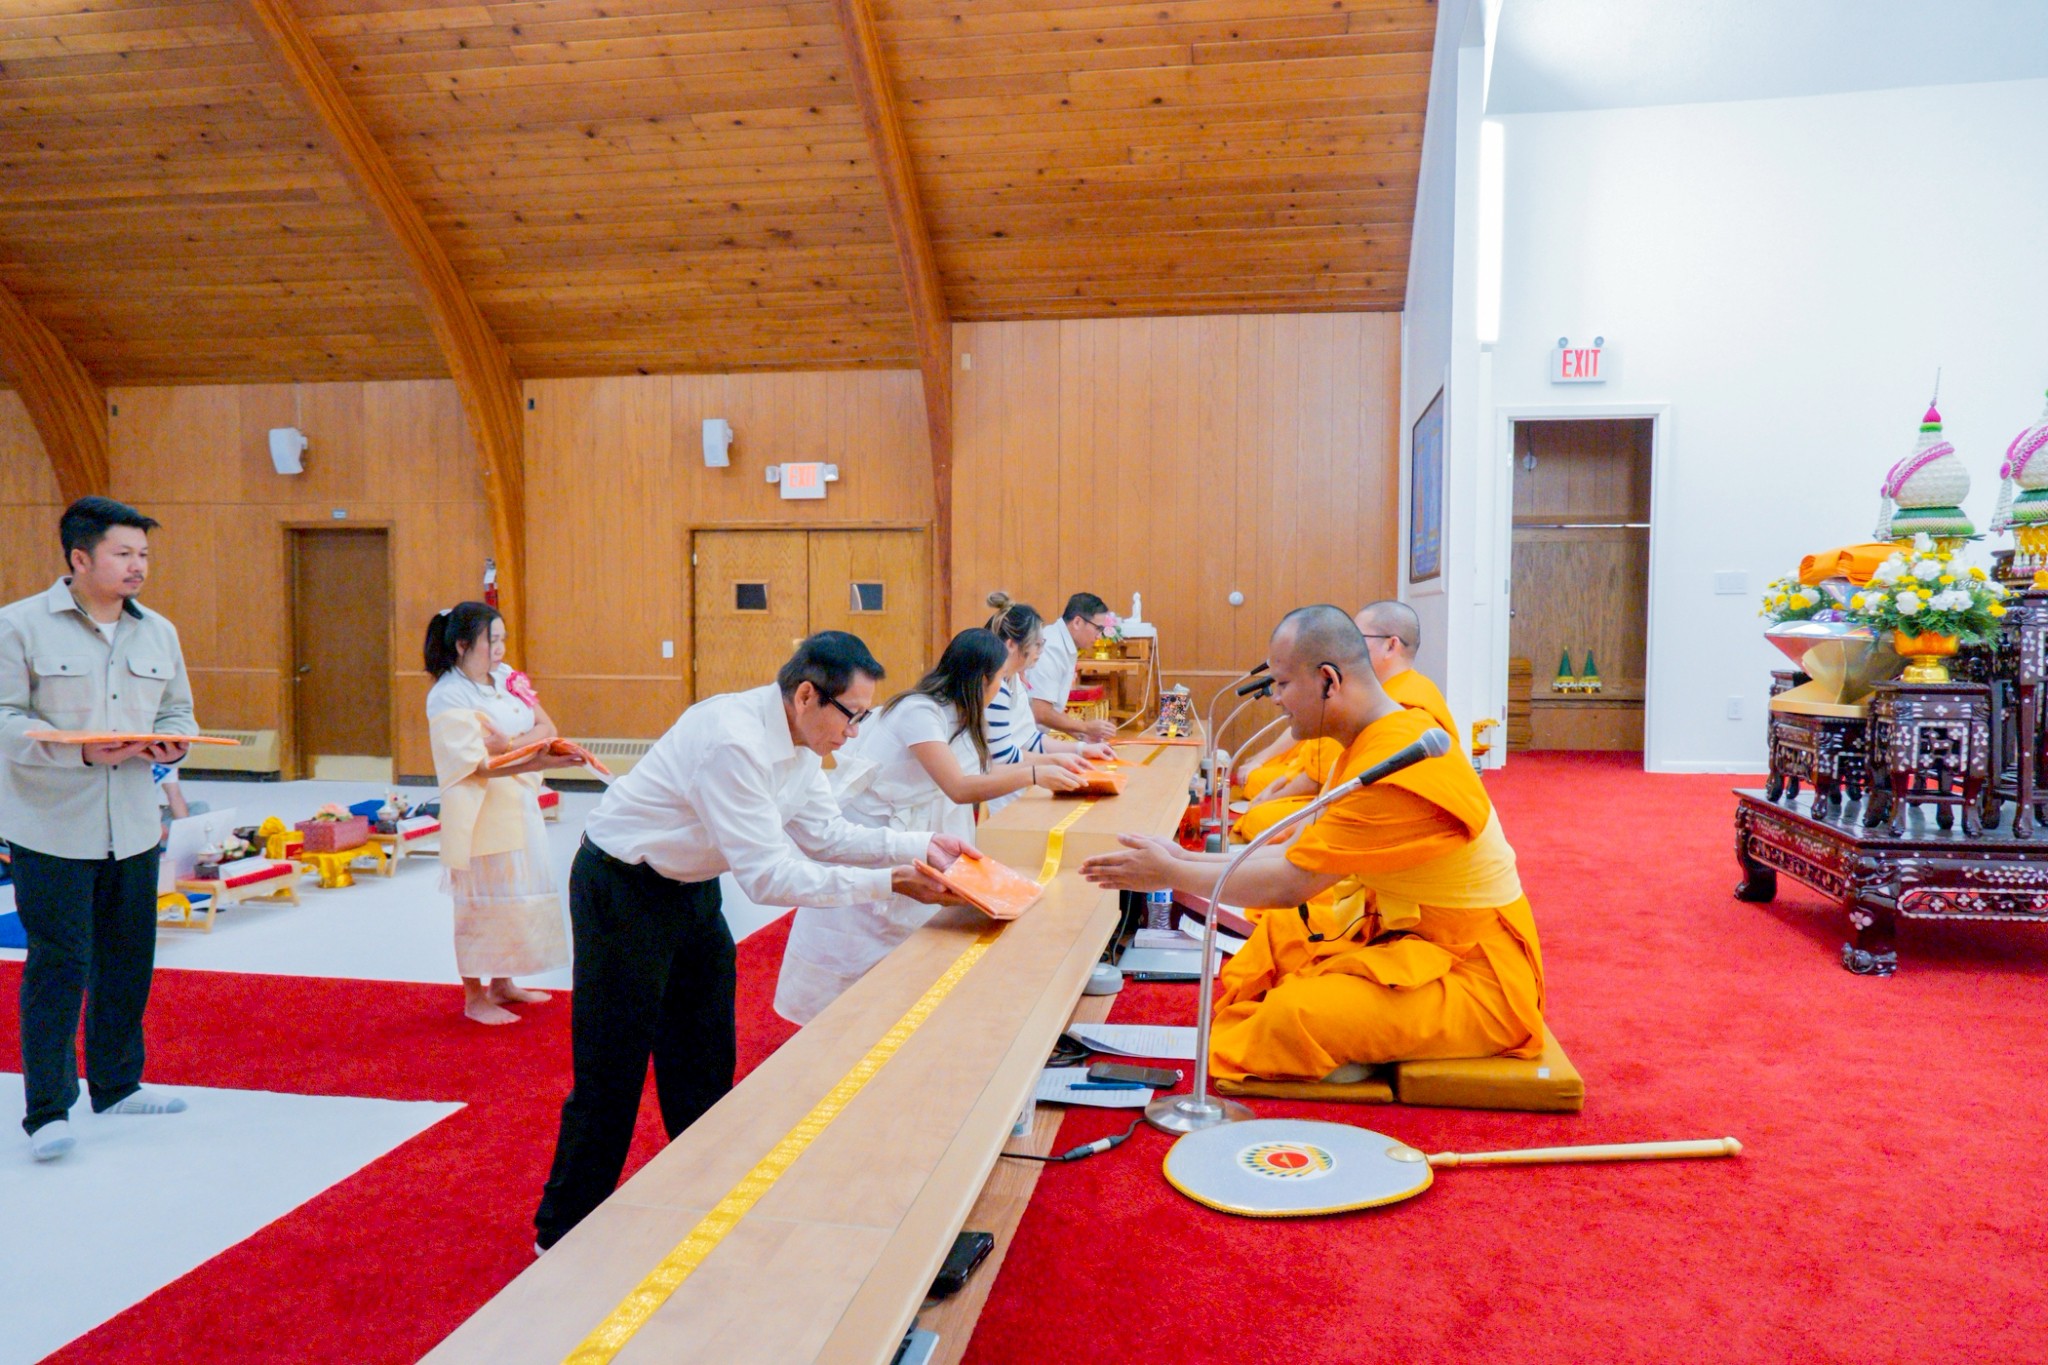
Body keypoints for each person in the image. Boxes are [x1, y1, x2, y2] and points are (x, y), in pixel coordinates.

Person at [534, 631, 975, 1249]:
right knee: (614, 1066)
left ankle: (706, 1197)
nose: (853, 733)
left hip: (690, 887)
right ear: (805, 696)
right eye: (850, 715)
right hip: (622, 888)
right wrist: (890, 882)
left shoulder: (801, 746)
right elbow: (770, 876)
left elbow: (825, 833)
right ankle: (561, 1231)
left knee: (705, 1054)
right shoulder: (732, 742)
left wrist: (918, 846)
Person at [1081, 606, 1543, 1080]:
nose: (1276, 700)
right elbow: (1300, 848)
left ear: (1329, 680)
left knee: (1293, 1016)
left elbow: (1291, 882)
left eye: (1282, 684)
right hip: (1403, 934)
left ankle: (1350, 1040)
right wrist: (1188, 859)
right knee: (1275, 947)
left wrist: (1173, 874)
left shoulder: (1398, 761)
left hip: (1475, 973)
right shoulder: (1369, 742)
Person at [0, 497, 197, 1161]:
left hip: (134, 825)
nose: (137, 565)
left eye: (142, 553)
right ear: (79, 557)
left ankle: (116, 1081)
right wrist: (78, 748)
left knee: (128, 957)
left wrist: (172, 744)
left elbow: (177, 711)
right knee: (60, 962)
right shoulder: (19, 626)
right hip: (52, 823)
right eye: (122, 552)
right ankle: (47, 1109)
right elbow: (4, 721)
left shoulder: (158, 632)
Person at [774, 629, 1085, 1024]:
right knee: (852, 948)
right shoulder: (919, 711)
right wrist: (1036, 774)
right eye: (999, 681)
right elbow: (958, 786)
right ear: (981, 680)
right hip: (872, 833)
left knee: (910, 952)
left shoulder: (961, 715)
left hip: (914, 837)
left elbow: (987, 766)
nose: (1001, 689)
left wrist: (1060, 761)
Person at [424, 602, 580, 1026]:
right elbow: (478, 764)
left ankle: (502, 981)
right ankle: (474, 995)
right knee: (479, 898)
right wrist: (532, 756)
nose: (499, 648)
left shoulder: (507, 677)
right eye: (491, 640)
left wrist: (510, 743)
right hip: (478, 808)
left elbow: (547, 728)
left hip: (518, 801)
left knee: (517, 889)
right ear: (461, 645)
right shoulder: (447, 695)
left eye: (502, 638)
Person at [1230, 598, 1456, 842]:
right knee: (1262, 798)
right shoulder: (1382, 694)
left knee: (1261, 820)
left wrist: (1278, 799)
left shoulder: (1400, 706)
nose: (1349, 647)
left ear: (1391, 646)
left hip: (1378, 821)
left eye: (1359, 639)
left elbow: (1336, 783)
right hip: (1346, 800)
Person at [982, 592, 1114, 815]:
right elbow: (1004, 757)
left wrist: (1081, 750)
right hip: (1003, 783)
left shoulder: (1013, 680)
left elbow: (1029, 738)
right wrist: (1054, 762)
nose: (1040, 652)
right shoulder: (997, 687)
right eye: (1037, 645)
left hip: (1020, 773)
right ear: (1013, 645)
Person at [1024, 591, 1119, 743]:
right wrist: (1086, 727)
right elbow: (1040, 711)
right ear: (1077, 622)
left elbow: (1048, 711)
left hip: (1033, 737)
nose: (1099, 636)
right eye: (1098, 629)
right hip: (1021, 741)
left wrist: (1082, 736)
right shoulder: (1051, 648)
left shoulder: (1062, 643)